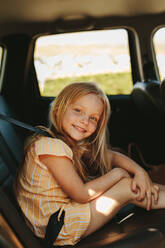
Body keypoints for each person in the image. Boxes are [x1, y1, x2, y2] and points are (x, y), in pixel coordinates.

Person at [14, 82, 164, 246]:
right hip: (58, 228)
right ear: (59, 109)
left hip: (60, 219)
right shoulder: (51, 147)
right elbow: (82, 194)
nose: (84, 121)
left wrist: (141, 173)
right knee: (127, 186)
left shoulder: (64, 142)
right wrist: (118, 173)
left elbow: (112, 156)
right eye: (78, 111)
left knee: (137, 184)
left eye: (93, 118)